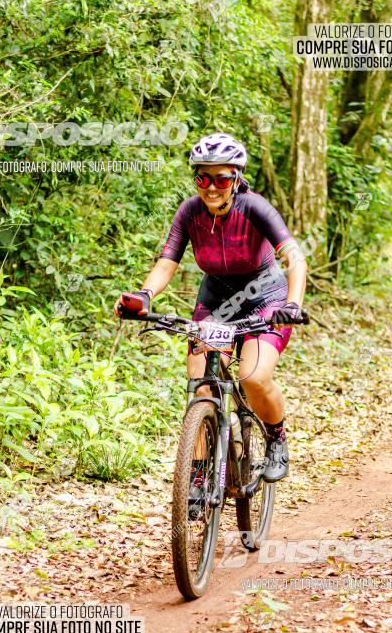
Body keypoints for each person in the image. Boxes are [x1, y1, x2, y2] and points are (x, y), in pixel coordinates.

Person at [115, 133, 307, 481]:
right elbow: (166, 262)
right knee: (200, 384)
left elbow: (294, 256)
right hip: (216, 300)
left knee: (253, 376)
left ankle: (277, 439)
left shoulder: (254, 207)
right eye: (203, 178)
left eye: (221, 178)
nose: (212, 187)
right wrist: (144, 296)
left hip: (266, 297)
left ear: (236, 179)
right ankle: (200, 477)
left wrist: (292, 304)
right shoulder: (190, 211)